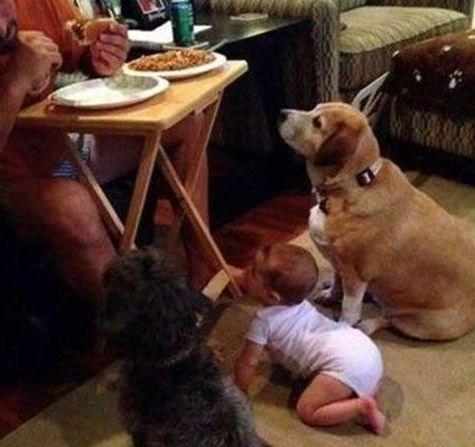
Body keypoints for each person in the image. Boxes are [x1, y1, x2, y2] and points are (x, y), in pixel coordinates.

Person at [0, 0, 210, 316]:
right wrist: (15, 82)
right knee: (69, 204)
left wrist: (100, 53)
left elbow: (76, 45)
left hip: (60, 148)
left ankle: (203, 276)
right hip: (10, 179)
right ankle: (137, 327)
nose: (2, 26)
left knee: (187, 125)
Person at [234, 244, 386, 434]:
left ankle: (360, 406)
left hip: (347, 366)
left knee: (307, 411)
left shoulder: (263, 322)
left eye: (252, 272)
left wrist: (238, 389)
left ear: (272, 296)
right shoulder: (300, 302)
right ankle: (370, 384)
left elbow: (248, 362)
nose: (245, 271)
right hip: (365, 348)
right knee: (349, 370)